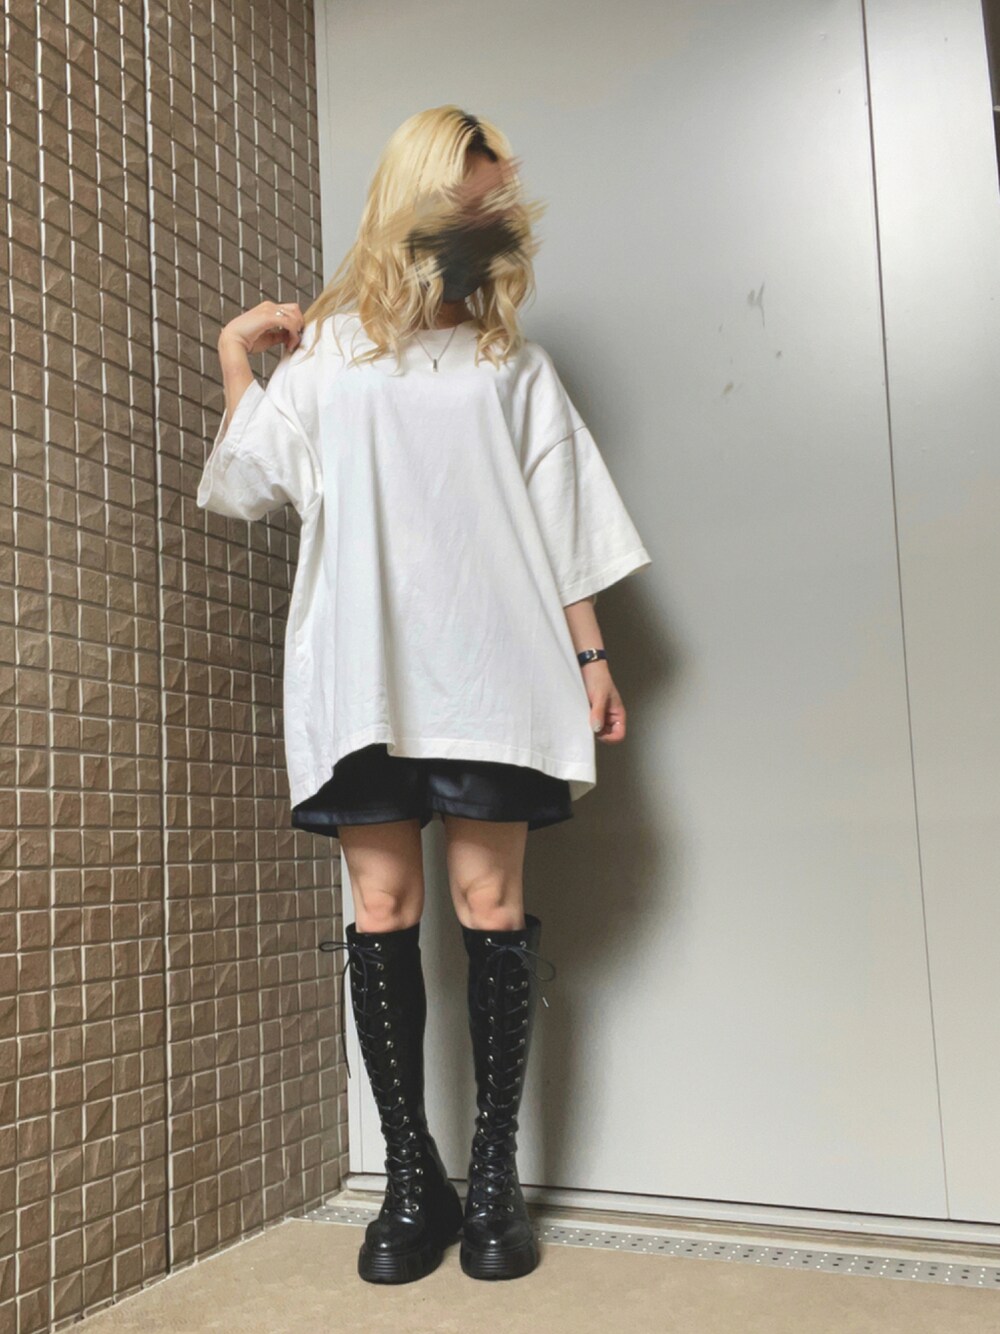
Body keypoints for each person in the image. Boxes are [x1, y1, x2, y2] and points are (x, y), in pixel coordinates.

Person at [195, 106, 651, 1285]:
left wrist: (592, 658)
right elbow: (248, 486)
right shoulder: (331, 355)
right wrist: (239, 360)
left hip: (496, 665)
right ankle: (413, 1175)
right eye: (472, 198)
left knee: (489, 903)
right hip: (364, 672)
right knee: (383, 905)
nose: (491, 219)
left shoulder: (514, 365)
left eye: (497, 204)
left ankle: (493, 1175)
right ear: (419, 202)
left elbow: (562, 525)